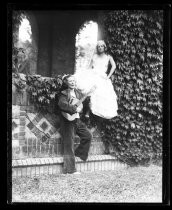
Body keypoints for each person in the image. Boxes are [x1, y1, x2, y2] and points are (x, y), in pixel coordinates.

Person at [74, 40, 118, 119]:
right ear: (97, 48)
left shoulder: (108, 56)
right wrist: (85, 74)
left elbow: (114, 66)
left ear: (104, 47)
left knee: (99, 93)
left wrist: (108, 77)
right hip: (93, 75)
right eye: (98, 46)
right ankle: (83, 109)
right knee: (88, 91)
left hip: (102, 77)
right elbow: (89, 67)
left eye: (102, 46)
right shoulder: (94, 56)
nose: (100, 48)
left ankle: (90, 112)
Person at [58, 74, 93, 174]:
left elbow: (82, 103)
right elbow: (62, 105)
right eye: (70, 81)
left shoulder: (78, 93)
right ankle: (70, 170)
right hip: (67, 121)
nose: (73, 82)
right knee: (69, 144)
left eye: (74, 81)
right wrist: (74, 109)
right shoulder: (63, 93)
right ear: (66, 82)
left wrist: (88, 104)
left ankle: (79, 153)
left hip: (77, 120)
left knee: (88, 136)